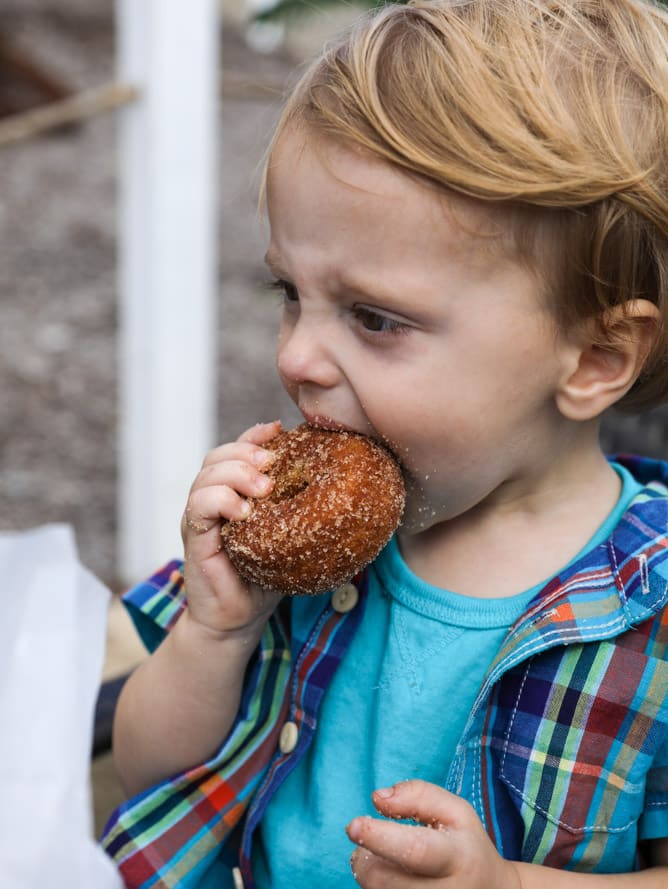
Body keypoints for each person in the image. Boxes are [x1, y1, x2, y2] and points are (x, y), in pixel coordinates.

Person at [101, 1, 668, 887]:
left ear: (596, 357)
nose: (295, 357)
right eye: (290, 294)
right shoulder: (280, 548)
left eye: (374, 317)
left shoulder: (652, 614)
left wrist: (510, 883)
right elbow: (145, 777)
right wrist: (213, 633)